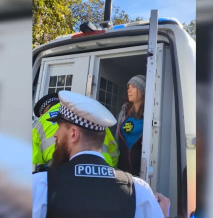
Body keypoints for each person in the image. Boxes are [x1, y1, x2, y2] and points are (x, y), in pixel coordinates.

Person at [33, 90, 170, 218]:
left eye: (59, 128)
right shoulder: (138, 190)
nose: (55, 134)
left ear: (73, 134)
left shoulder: (41, 186)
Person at [32, 93, 119, 170]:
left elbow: (33, 162)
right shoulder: (95, 120)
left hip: (58, 172)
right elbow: (114, 151)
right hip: (106, 170)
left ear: (42, 113)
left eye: (58, 128)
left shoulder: (39, 123)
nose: (55, 134)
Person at [116, 75, 146, 176]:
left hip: (140, 172)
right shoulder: (124, 113)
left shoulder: (150, 115)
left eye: (133, 87)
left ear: (142, 90)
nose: (129, 90)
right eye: (128, 87)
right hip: (121, 170)